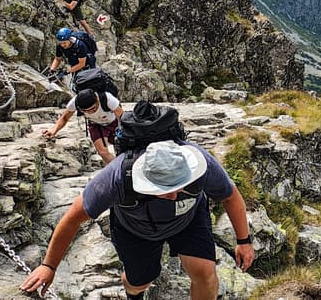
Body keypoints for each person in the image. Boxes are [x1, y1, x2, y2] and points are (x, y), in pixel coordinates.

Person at [20, 140, 256, 300]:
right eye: (165, 189)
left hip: (189, 219)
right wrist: (48, 266)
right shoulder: (115, 178)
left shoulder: (203, 164)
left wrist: (244, 240)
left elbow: (231, 197)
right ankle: (134, 292)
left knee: (204, 272)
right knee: (140, 280)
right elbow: (72, 219)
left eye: (180, 185)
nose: (174, 195)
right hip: (135, 228)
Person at [42, 88, 123, 164]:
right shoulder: (74, 102)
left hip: (114, 122)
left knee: (122, 147)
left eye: (93, 109)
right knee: (103, 152)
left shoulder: (108, 98)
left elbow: (122, 117)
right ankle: (119, 169)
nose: (90, 112)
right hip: (95, 124)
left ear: (97, 100)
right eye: (85, 111)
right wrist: (53, 131)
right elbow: (64, 118)